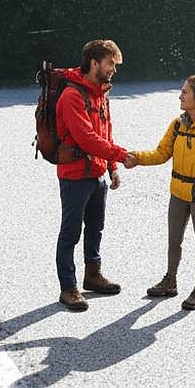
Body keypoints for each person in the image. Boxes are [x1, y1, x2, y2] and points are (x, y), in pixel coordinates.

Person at [124, 75, 195, 310]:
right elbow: (161, 153)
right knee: (174, 240)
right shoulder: (177, 124)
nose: (180, 96)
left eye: (185, 92)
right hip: (178, 194)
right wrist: (137, 158)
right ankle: (170, 281)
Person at [54, 38, 130, 312]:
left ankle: (93, 275)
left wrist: (112, 167)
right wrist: (121, 155)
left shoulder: (101, 93)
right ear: (94, 62)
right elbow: (86, 138)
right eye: (111, 63)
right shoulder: (71, 96)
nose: (114, 70)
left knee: (96, 228)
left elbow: (105, 132)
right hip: (75, 176)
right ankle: (68, 288)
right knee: (70, 233)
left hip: (97, 173)